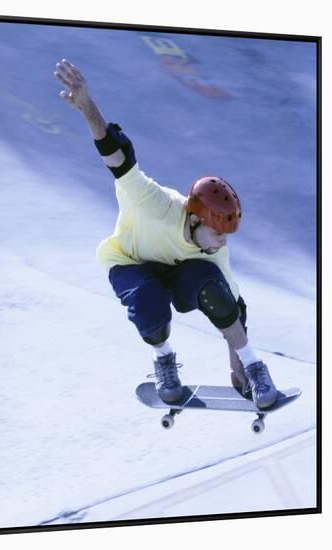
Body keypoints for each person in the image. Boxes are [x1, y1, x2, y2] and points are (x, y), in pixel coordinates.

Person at [54, 59, 278, 409]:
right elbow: (118, 157)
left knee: (216, 289)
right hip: (128, 262)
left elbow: (235, 309)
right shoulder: (153, 202)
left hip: (178, 276)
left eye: (227, 234)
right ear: (193, 220)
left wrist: (240, 368)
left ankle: (257, 367)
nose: (222, 241)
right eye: (217, 232)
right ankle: (164, 359)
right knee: (148, 301)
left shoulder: (213, 250)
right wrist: (87, 107)